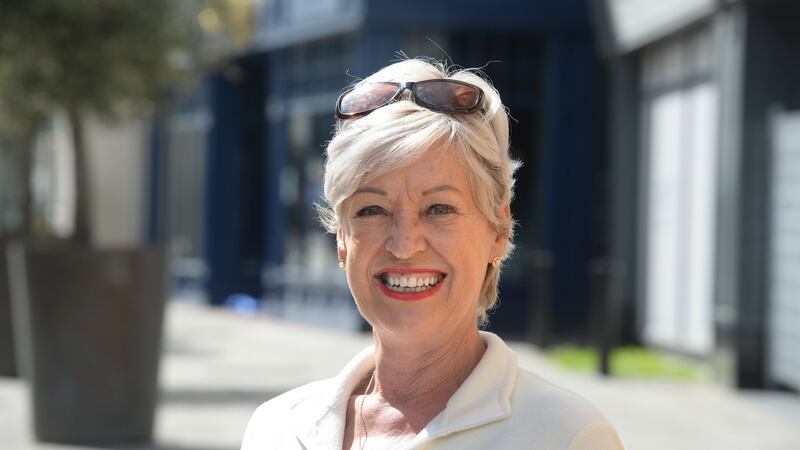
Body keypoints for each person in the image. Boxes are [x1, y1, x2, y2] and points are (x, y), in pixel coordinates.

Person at [241, 58, 625, 450]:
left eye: (439, 209)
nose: (404, 245)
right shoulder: (277, 427)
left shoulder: (565, 435)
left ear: (499, 229)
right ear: (342, 237)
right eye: (373, 210)